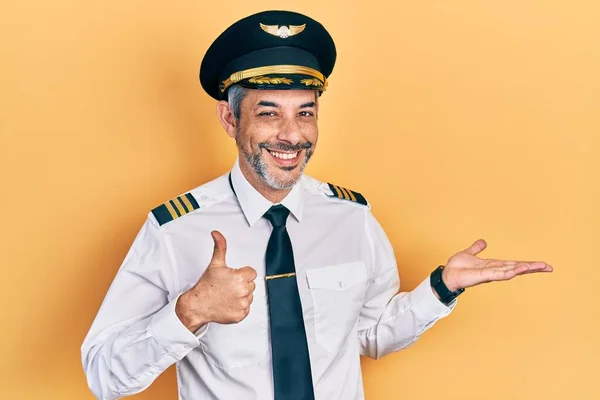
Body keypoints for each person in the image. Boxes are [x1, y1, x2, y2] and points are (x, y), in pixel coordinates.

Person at [81, 10, 553, 400]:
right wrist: (190, 311)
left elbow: (370, 335)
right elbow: (104, 375)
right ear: (229, 117)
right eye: (269, 112)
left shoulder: (352, 218)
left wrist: (442, 288)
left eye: (305, 112)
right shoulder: (174, 230)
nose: (292, 135)